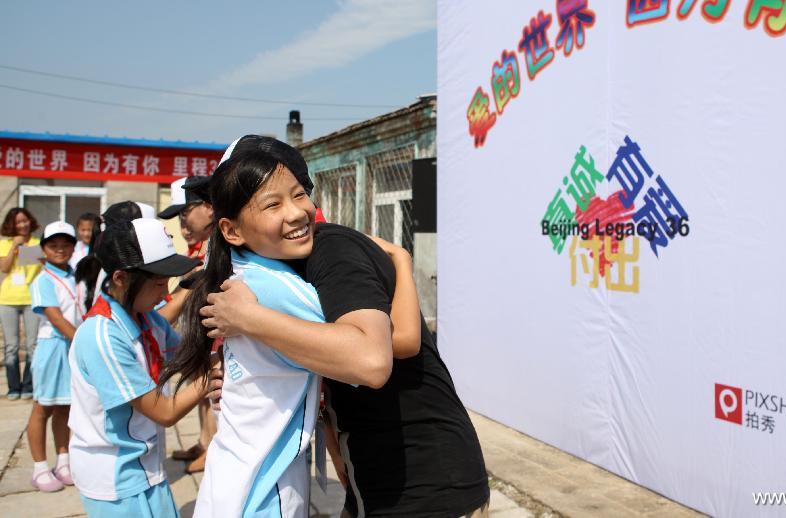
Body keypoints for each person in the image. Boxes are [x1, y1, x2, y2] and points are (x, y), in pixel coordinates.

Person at [202, 136, 490, 517]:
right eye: (271, 203)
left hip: (425, 482)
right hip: (377, 476)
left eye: (298, 194)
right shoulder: (280, 269)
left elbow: (379, 354)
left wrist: (251, 321)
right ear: (232, 228)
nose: (294, 212)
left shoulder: (331, 250)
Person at [68, 217, 205, 517]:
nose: (165, 293)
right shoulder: (102, 336)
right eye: (158, 284)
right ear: (121, 278)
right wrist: (211, 377)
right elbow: (165, 411)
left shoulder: (147, 319)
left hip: (146, 467)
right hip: (115, 478)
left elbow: (184, 356)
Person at [159, 176, 218, 473]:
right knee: (201, 389)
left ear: (208, 207)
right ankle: (205, 441)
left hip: (215, 336)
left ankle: (213, 446)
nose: (182, 226)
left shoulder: (220, 244)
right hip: (197, 335)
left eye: (184, 215)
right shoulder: (199, 247)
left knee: (210, 389)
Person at [27, 221, 85, 492]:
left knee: (66, 406)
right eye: (53, 245)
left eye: (66, 245)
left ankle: (63, 460)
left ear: (74, 247)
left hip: (72, 345)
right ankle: (39, 467)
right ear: (44, 249)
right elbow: (55, 317)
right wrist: (84, 341)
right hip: (53, 347)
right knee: (43, 407)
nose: (60, 250)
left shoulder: (76, 275)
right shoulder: (43, 279)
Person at [0, 207, 42, 400]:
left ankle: (28, 386)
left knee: (32, 344)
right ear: (11, 224)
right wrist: (13, 247)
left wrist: (28, 250)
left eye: (25, 221)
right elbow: (5, 268)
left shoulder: (37, 243)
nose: (23, 225)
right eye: (18, 222)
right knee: (12, 345)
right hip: (8, 300)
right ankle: (13, 387)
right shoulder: (4, 243)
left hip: (31, 299)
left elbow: (41, 267)